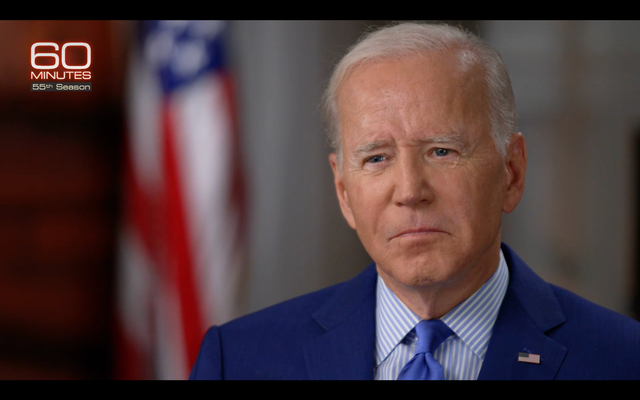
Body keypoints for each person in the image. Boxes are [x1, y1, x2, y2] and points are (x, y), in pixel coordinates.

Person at [189, 22, 640, 380]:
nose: (409, 191)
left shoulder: (623, 359)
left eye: (442, 151)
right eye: (377, 158)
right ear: (344, 192)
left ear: (511, 172)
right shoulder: (240, 362)